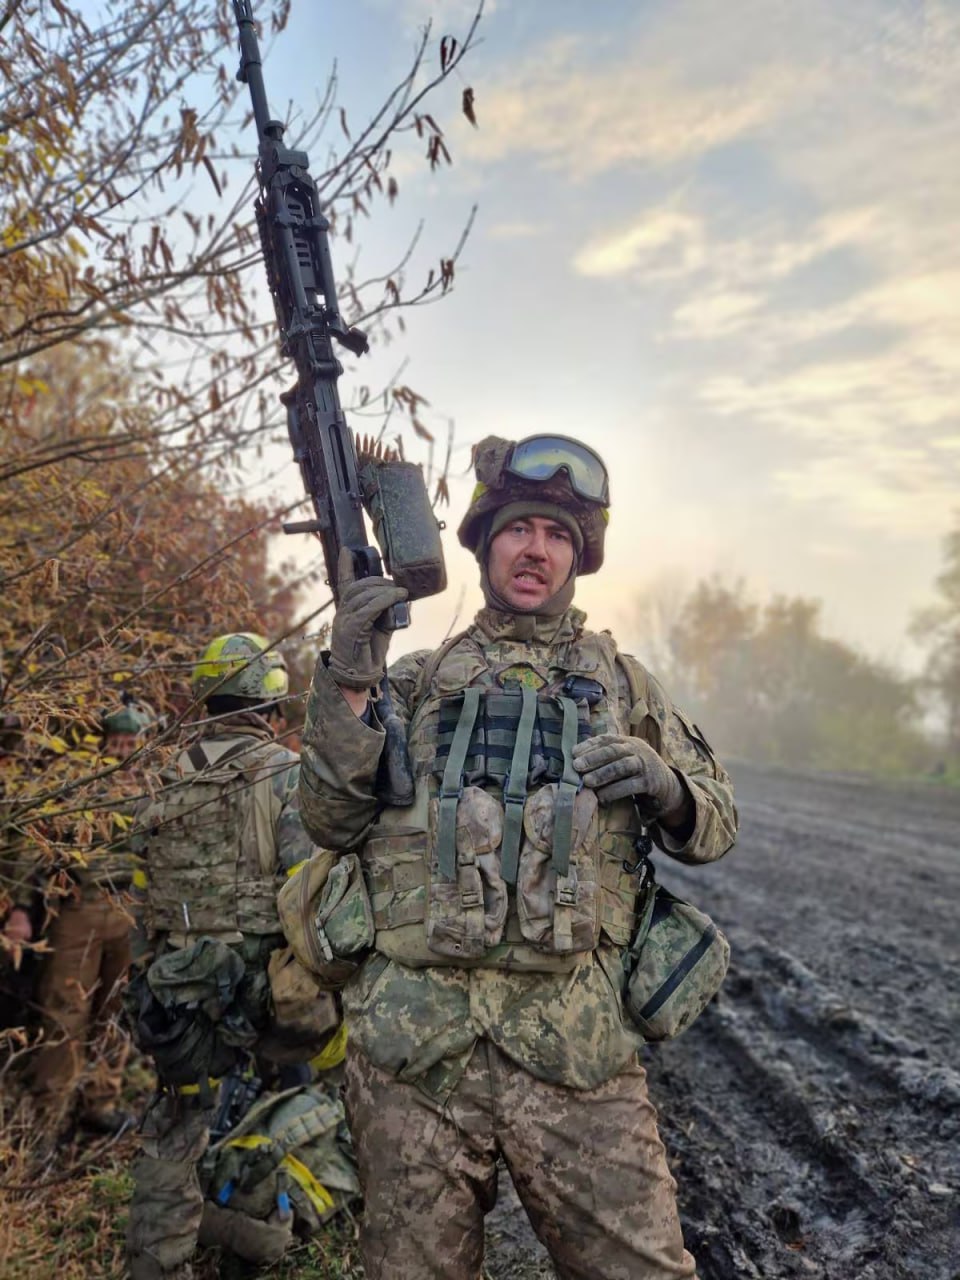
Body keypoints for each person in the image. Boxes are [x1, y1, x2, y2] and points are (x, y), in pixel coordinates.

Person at [298, 433, 739, 1279]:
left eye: (559, 535)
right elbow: (327, 818)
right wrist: (349, 678)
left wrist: (666, 786)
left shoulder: (625, 683)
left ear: (580, 556)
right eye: (519, 528)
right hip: (413, 1058)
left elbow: (716, 826)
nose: (536, 549)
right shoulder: (415, 682)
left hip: (576, 1054)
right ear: (483, 540)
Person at [125, 631, 337, 1280]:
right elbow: (308, 897)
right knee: (295, 1104)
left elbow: (142, 901)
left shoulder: (160, 783)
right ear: (271, 706)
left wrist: (147, 984)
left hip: (181, 994)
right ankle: (260, 1234)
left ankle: (158, 1263)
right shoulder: (284, 775)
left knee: (177, 1128)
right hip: (265, 988)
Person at [1, 699, 151, 1135]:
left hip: (132, 909)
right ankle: (50, 1116)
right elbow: (34, 850)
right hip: (80, 908)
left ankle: (100, 1104)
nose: (123, 752)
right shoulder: (79, 785)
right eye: (116, 743)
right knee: (65, 1010)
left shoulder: (156, 784)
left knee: (116, 1010)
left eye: (131, 743)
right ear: (103, 744)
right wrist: (21, 911)